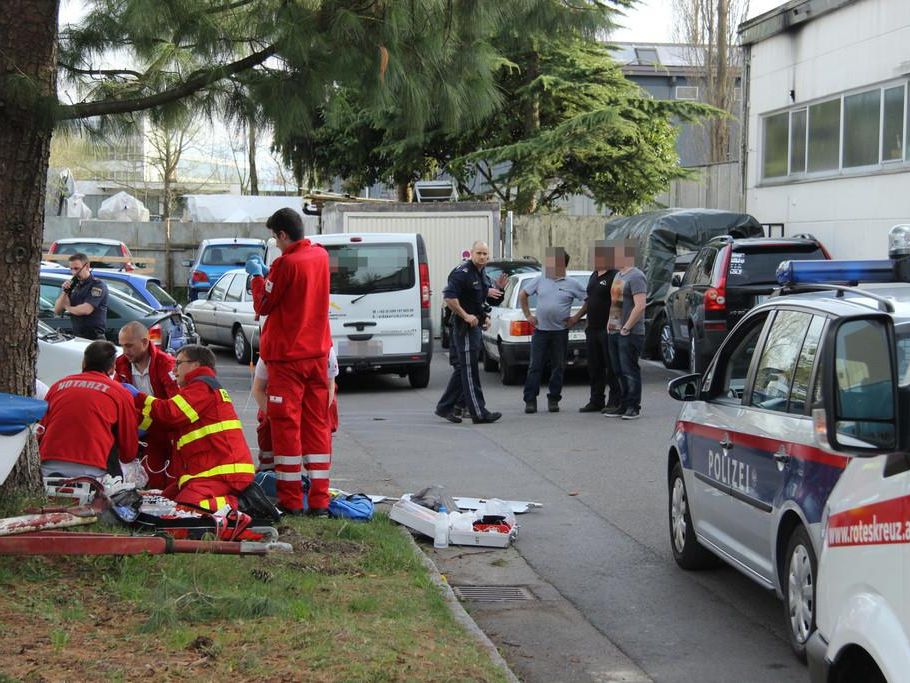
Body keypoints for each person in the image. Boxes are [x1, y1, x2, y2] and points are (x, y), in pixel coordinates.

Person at [248, 207, 333, 517]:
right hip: (317, 355)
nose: (276, 244)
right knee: (317, 428)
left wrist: (258, 276)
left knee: (286, 427)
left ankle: (291, 501)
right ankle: (321, 501)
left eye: (276, 238)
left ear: (283, 234)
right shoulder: (320, 256)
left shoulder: (285, 264)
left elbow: (263, 304)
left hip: (288, 360)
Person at [130, 344, 254, 511]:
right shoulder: (197, 389)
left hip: (223, 474)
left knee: (186, 507)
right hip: (206, 474)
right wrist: (133, 414)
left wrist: (138, 397)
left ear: (196, 365)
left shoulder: (202, 387)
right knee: (164, 502)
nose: (174, 370)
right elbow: (166, 425)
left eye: (178, 363)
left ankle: (241, 506)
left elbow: (170, 413)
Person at [39, 340, 139, 479]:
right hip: (93, 469)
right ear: (112, 368)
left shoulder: (58, 386)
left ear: (84, 362)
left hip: (48, 464)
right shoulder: (120, 393)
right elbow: (128, 449)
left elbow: (40, 429)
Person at [435, 241, 503, 424]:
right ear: (471, 253)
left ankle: (445, 407)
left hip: (474, 326)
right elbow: (449, 298)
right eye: (479, 253)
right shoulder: (462, 272)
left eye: (485, 254)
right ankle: (478, 413)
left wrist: (483, 317)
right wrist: (466, 316)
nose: (482, 257)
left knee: (464, 369)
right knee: (469, 370)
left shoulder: (481, 273)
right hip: (463, 327)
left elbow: (476, 299)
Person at [252, 346, 340, 476]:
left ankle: (316, 484)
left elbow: (329, 386)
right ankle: (268, 475)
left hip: (314, 407)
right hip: (282, 404)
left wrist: (317, 417)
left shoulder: (324, 349)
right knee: (268, 432)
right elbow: (258, 389)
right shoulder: (272, 349)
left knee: (318, 445)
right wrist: (274, 418)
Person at [520, 248, 587, 413]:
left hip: (560, 332)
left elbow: (588, 300)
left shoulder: (572, 284)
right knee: (535, 366)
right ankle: (530, 400)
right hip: (541, 331)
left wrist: (575, 318)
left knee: (558, 366)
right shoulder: (540, 280)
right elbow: (523, 294)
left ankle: (554, 399)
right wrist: (528, 315)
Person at [115, 321, 179, 489]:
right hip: (139, 428)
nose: (125, 351)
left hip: (165, 428)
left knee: (162, 477)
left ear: (145, 342)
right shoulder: (121, 363)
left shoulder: (166, 364)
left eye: (129, 346)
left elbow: (176, 405)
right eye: (122, 346)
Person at [603, 242, 648, 420]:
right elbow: (614, 302)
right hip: (614, 330)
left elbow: (640, 306)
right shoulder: (618, 276)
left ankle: (633, 406)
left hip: (629, 332)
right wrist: (609, 322)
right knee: (617, 369)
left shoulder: (636, 276)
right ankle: (622, 404)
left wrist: (627, 326)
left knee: (629, 369)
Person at [579, 242, 622, 413]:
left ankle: (615, 400)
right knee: (594, 366)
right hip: (592, 328)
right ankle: (596, 400)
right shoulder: (593, 275)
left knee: (611, 366)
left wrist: (614, 323)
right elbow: (589, 301)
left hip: (608, 328)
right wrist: (578, 318)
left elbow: (618, 302)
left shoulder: (615, 276)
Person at [53, 252, 109, 340]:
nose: (74, 272)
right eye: (71, 269)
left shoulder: (97, 285)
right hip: (77, 336)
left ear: (87, 266)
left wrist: (68, 308)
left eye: (77, 269)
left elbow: (86, 310)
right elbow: (57, 310)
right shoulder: (73, 285)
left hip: (94, 338)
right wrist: (65, 292)